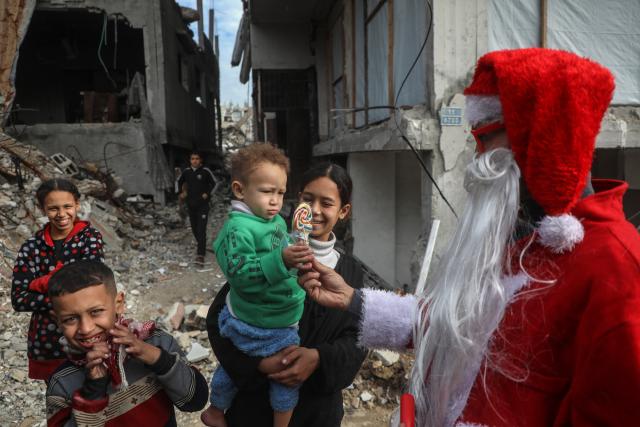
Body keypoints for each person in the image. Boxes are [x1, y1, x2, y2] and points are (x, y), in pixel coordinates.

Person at [299, 48, 640, 426]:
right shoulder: (525, 241)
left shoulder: (616, 266)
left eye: (487, 137)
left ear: (546, 138)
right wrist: (352, 299)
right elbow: (459, 324)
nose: (477, 160)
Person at [205, 162, 367, 426]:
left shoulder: (350, 273)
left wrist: (318, 359)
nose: (314, 210)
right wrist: (257, 364)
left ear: (343, 211)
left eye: (326, 203)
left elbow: (357, 339)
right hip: (253, 408)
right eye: (307, 199)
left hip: (317, 414)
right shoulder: (265, 252)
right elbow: (219, 321)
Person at [200, 143, 314, 427]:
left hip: (281, 316)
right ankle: (222, 412)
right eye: (267, 192)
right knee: (282, 378)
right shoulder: (237, 230)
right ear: (240, 190)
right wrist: (281, 259)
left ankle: (217, 411)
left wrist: (296, 257)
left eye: (280, 192)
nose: (275, 201)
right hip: (256, 321)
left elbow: (281, 247)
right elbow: (241, 274)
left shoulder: (273, 220)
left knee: (247, 370)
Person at [45, 260, 208, 426]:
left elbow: (195, 401)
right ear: (57, 320)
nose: (86, 328)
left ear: (118, 304)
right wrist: (92, 390)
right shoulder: (63, 382)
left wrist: (155, 358)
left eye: (96, 312)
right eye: (70, 319)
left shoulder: (155, 342)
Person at [11, 178, 104, 381]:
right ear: (43, 209)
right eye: (53, 208)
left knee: (94, 395)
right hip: (47, 341)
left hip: (86, 334)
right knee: (58, 397)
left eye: (68, 206)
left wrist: (42, 289)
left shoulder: (89, 238)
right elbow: (19, 298)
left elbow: (92, 284)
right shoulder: (32, 247)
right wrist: (63, 302)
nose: (62, 214)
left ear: (77, 205)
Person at [177, 151, 219, 265]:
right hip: (191, 205)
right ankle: (202, 245)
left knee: (201, 229)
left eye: (197, 159)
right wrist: (181, 192)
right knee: (195, 229)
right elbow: (178, 181)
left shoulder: (205, 171)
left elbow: (215, 183)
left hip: (203, 205)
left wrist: (208, 194)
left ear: (200, 160)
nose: (194, 161)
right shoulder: (186, 172)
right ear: (190, 160)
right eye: (192, 159)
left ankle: (200, 254)